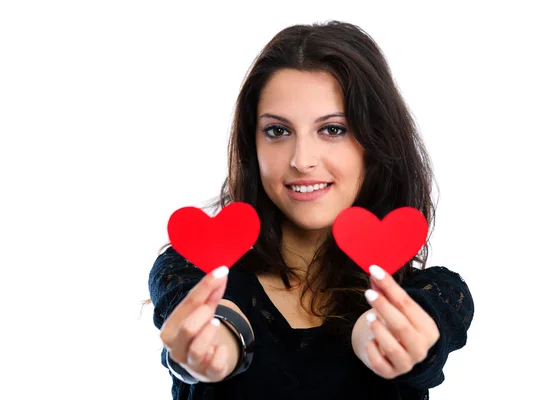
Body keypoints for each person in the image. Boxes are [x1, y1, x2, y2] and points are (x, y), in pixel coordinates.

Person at [148, 20, 474, 400]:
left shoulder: (438, 292)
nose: (302, 161)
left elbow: (402, 328)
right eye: (277, 131)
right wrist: (214, 345)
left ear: (376, 140)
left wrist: (381, 333)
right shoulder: (189, 267)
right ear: (251, 145)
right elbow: (223, 316)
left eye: (332, 129)